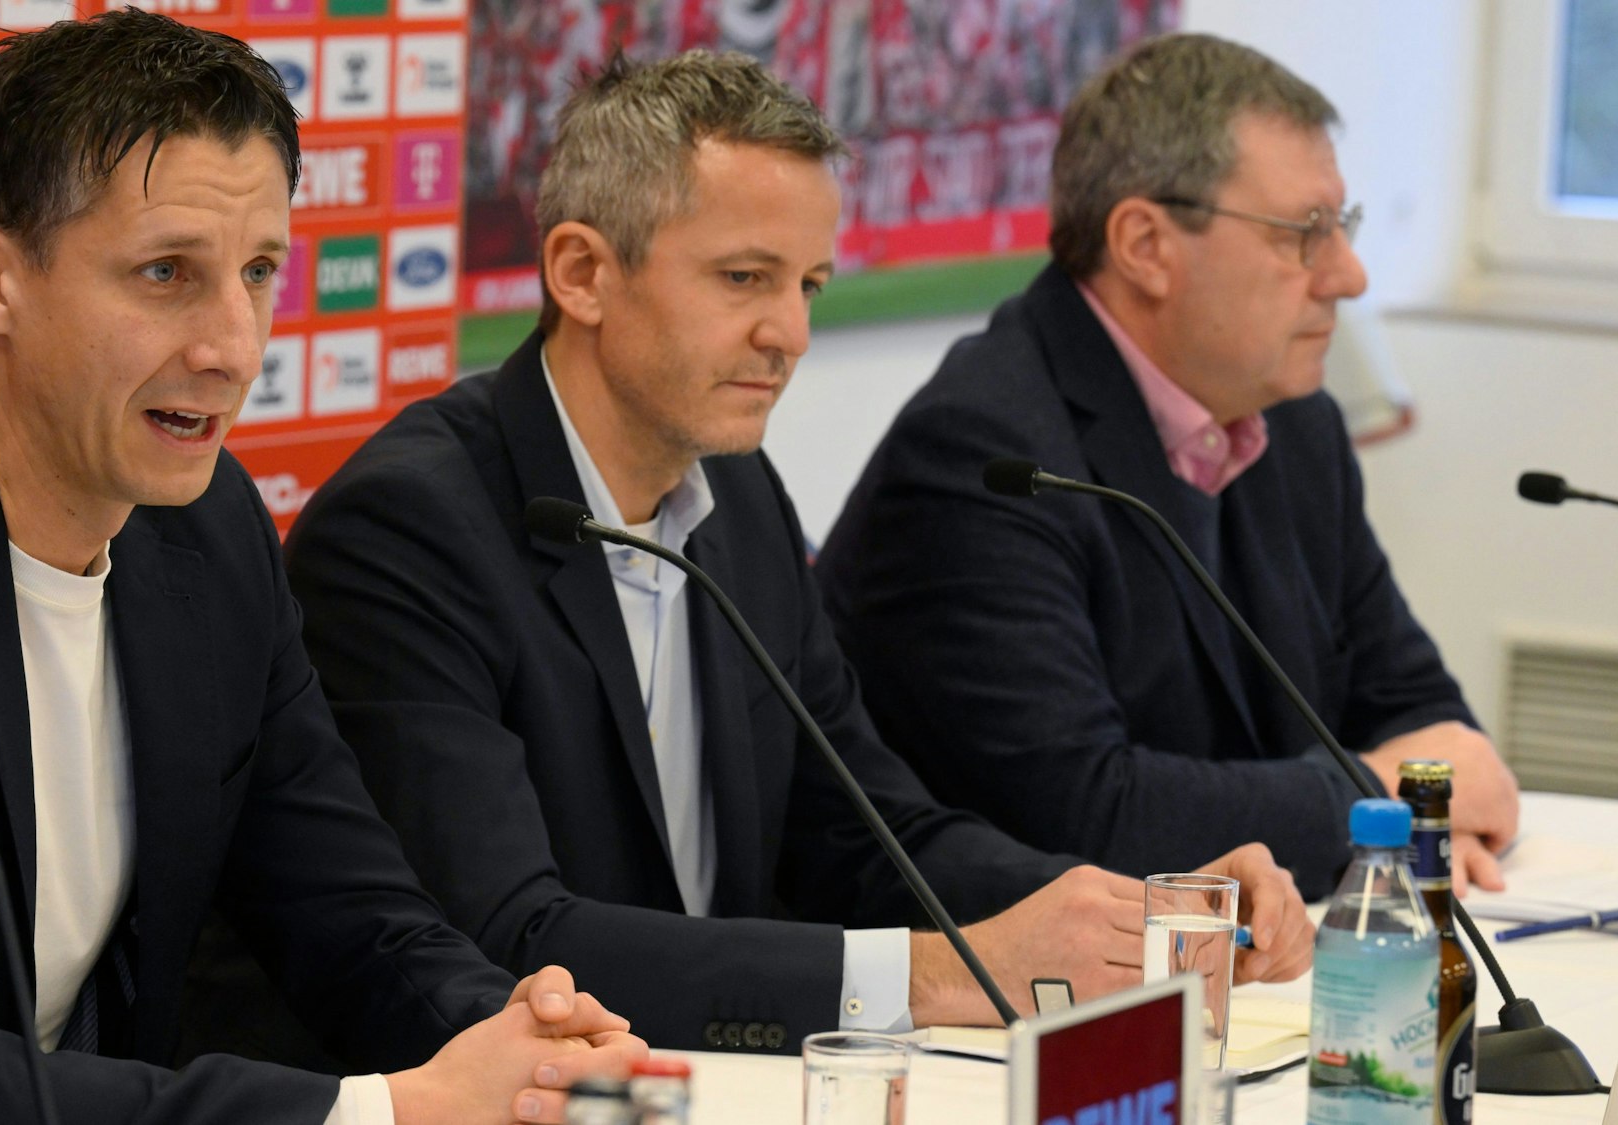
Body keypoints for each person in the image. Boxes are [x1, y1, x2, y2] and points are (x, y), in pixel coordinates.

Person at [0, 11, 643, 1123]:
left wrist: (517, 1042)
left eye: (258, 270)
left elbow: (346, 907)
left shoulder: (206, 528)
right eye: (166, 272)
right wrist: (386, 1112)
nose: (232, 345)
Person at [284, 49, 1313, 1056]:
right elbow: (507, 940)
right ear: (580, 272)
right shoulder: (408, 530)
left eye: (808, 286)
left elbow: (867, 834)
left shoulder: (735, 496)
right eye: (743, 278)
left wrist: (1119, 914)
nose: (788, 333)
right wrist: (933, 975)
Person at [816, 33, 1520, 901]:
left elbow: (1424, 715)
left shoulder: (1294, 423)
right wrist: (1380, 805)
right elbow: (1085, 814)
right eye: (1305, 233)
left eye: (1343, 227)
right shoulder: (984, 453)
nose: (1347, 273)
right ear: (1146, 245)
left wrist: (1408, 790)